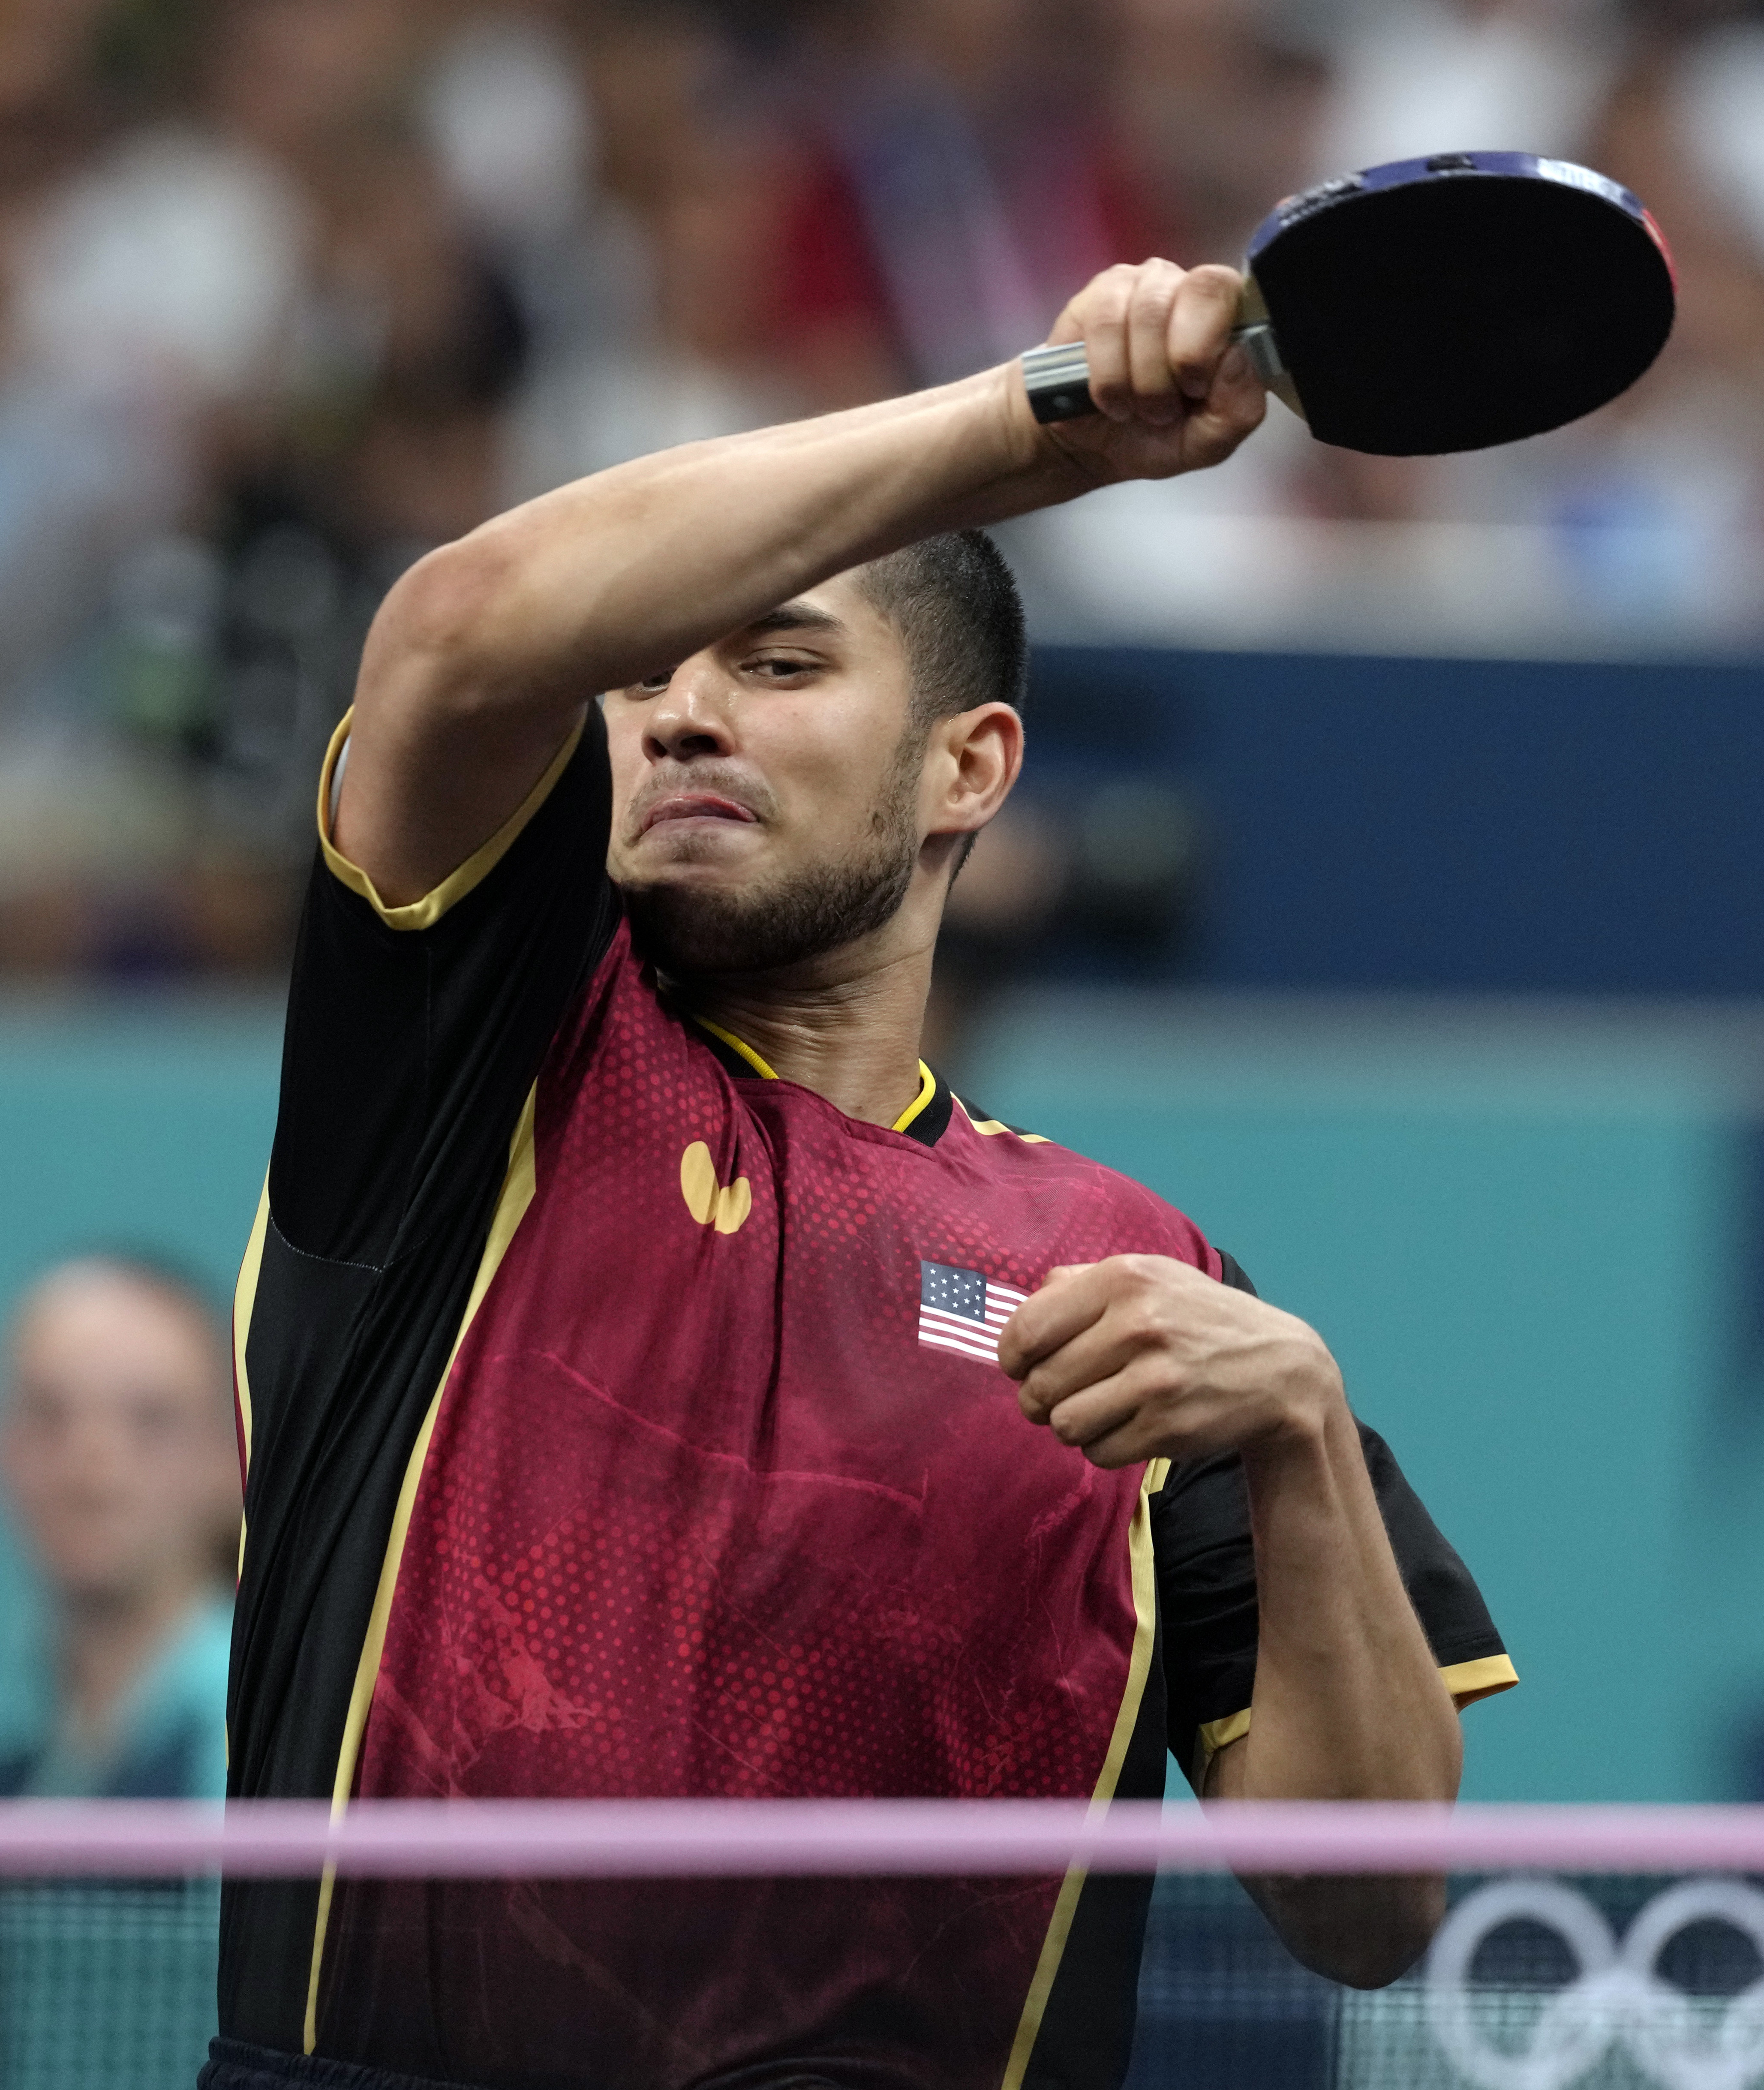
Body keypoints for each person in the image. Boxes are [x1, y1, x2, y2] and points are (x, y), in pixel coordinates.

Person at [214, 256, 1513, 2089]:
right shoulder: (469, 1071)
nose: (675, 715)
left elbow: (1364, 1911)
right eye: (645, 677)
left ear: (966, 766)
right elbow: (460, 626)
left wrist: (1296, 1432)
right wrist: (1035, 417)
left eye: (777, 661)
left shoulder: (1136, 1287)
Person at [0, 1254, 240, 1800]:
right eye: (49, 1415)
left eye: (151, 1420)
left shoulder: (281, 1769)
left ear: (232, 1459)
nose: (94, 1469)